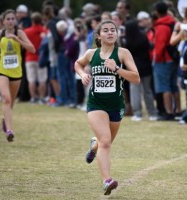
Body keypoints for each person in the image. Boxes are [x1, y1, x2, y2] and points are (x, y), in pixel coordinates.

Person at [74, 20, 140, 195]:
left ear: (117, 34)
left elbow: (136, 78)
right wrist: (82, 75)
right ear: (98, 35)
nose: (110, 32)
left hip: (116, 105)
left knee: (105, 142)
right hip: (96, 104)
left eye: (113, 30)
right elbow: (78, 64)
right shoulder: (91, 53)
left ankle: (94, 145)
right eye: (106, 30)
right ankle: (106, 181)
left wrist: (117, 68)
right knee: (106, 142)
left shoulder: (123, 53)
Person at [0, 9, 35, 141]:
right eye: (7, 19)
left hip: (16, 72)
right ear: (3, 21)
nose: (10, 21)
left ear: (16, 21)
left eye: (12, 19)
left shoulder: (20, 33)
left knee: (11, 102)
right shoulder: (0, 33)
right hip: (1, 70)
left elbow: (32, 49)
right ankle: (9, 131)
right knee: (6, 98)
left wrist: (17, 39)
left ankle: (5, 119)